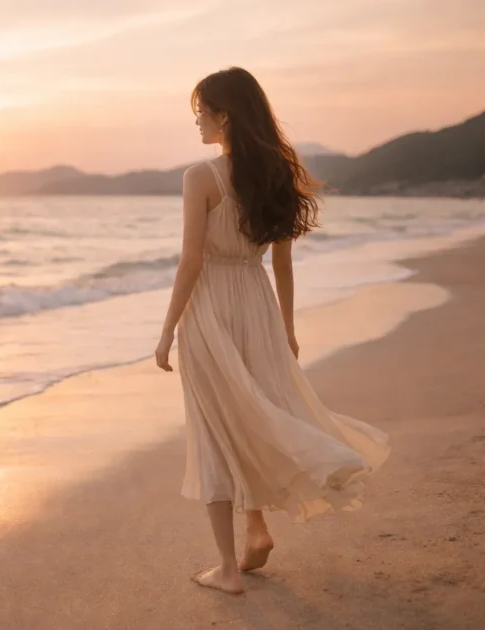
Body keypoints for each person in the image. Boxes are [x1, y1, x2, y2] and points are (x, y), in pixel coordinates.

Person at [153, 67, 390, 595]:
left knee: (216, 427)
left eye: (202, 110)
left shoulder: (201, 177)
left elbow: (191, 260)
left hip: (212, 305)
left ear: (225, 115)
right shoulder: (277, 176)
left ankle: (227, 568)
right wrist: (286, 327)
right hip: (257, 304)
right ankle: (256, 530)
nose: (196, 120)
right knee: (252, 413)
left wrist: (167, 330)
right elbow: (282, 264)